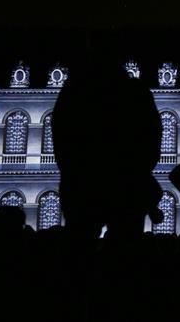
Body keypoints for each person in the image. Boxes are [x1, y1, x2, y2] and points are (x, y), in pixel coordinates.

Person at [52, 53, 163, 241]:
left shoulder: (74, 89)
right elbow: (153, 137)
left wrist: (72, 172)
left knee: (80, 248)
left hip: (82, 183)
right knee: (123, 250)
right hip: (127, 185)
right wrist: (140, 172)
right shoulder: (136, 92)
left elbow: (60, 135)